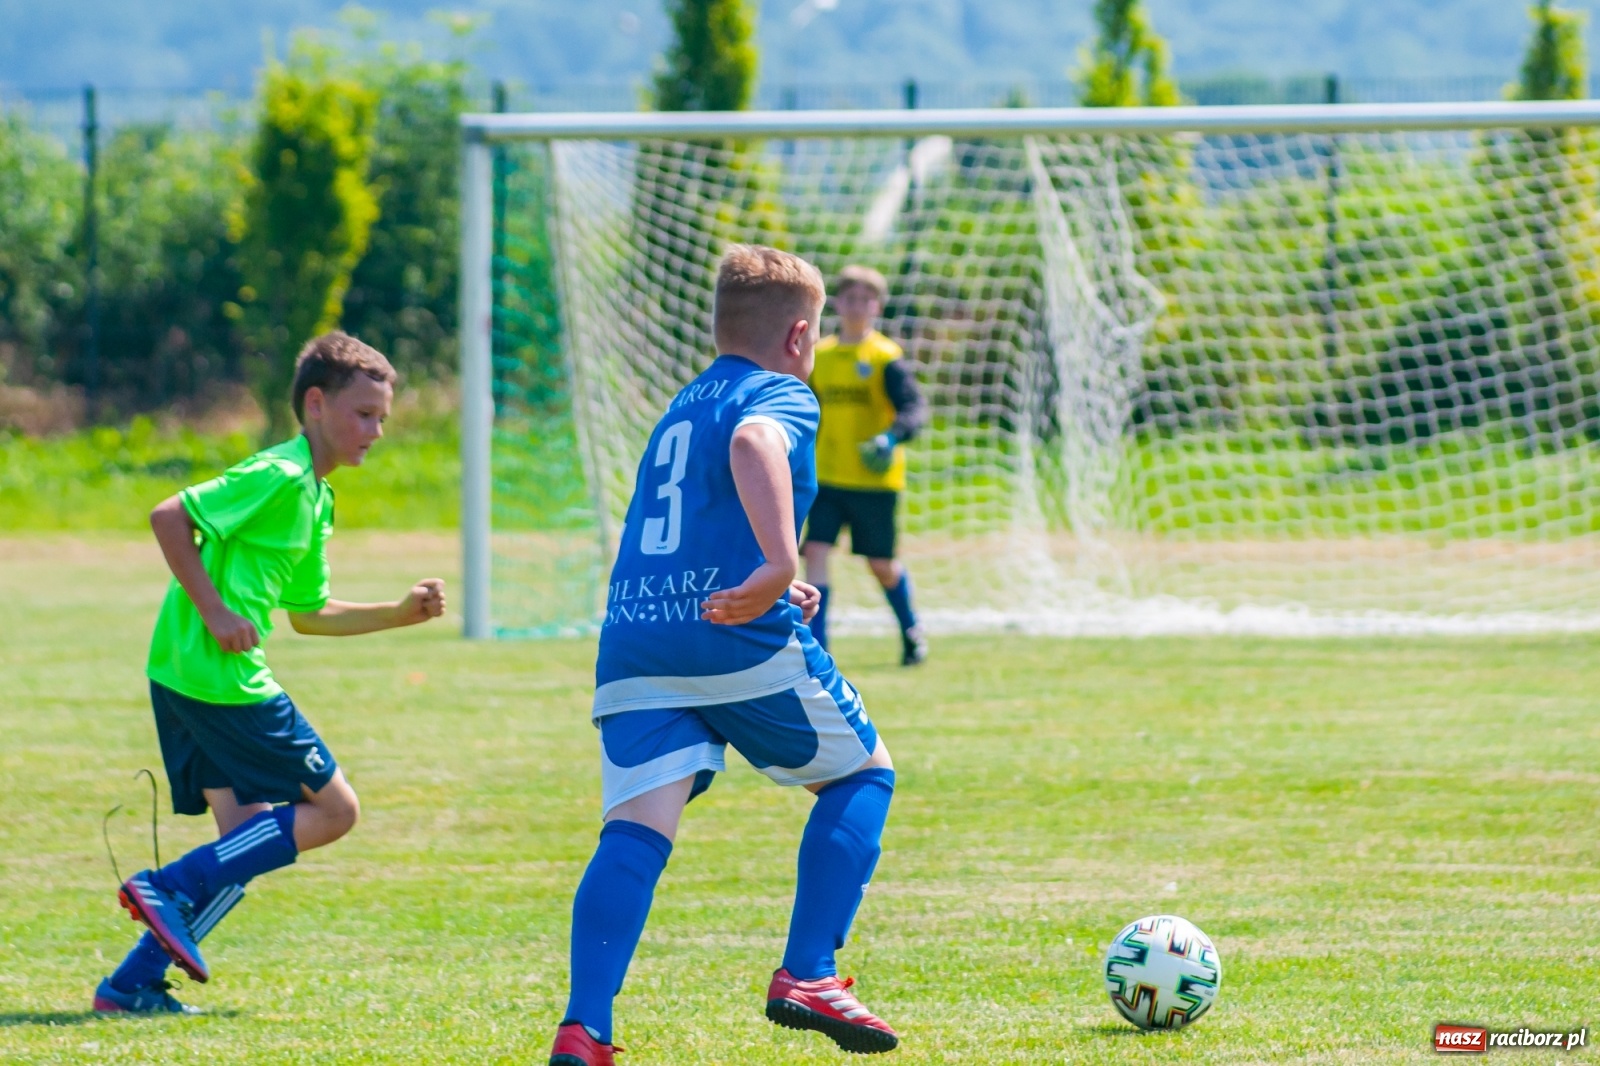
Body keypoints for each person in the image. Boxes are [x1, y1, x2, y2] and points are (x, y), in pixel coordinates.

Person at [547, 246, 900, 1066]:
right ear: (800, 337)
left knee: (635, 829)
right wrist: (777, 564)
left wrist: (772, 577)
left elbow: (695, 515)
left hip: (635, 635)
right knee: (863, 774)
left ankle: (584, 1028)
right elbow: (754, 443)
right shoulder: (779, 393)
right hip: (726, 634)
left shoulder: (681, 405)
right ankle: (809, 972)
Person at [93, 332, 448, 1015]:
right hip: (222, 679)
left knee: (249, 839)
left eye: (382, 418)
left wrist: (399, 614)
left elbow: (309, 614)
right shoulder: (281, 474)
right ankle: (168, 885)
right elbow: (169, 517)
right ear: (315, 404)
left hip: (182, 672)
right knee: (336, 810)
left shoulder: (314, 497)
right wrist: (217, 610)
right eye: (363, 414)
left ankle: (131, 985)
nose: (375, 432)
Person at [802, 265, 929, 665]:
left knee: (881, 565)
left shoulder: (885, 357)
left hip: (875, 481)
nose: (856, 306)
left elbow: (914, 409)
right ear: (837, 303)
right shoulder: (820, 355)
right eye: (849, 298)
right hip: (827, 477)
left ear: (877, 306)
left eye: (865, 299)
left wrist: (890, 437)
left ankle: (911, 630)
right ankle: (819, 650)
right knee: (815, 551)